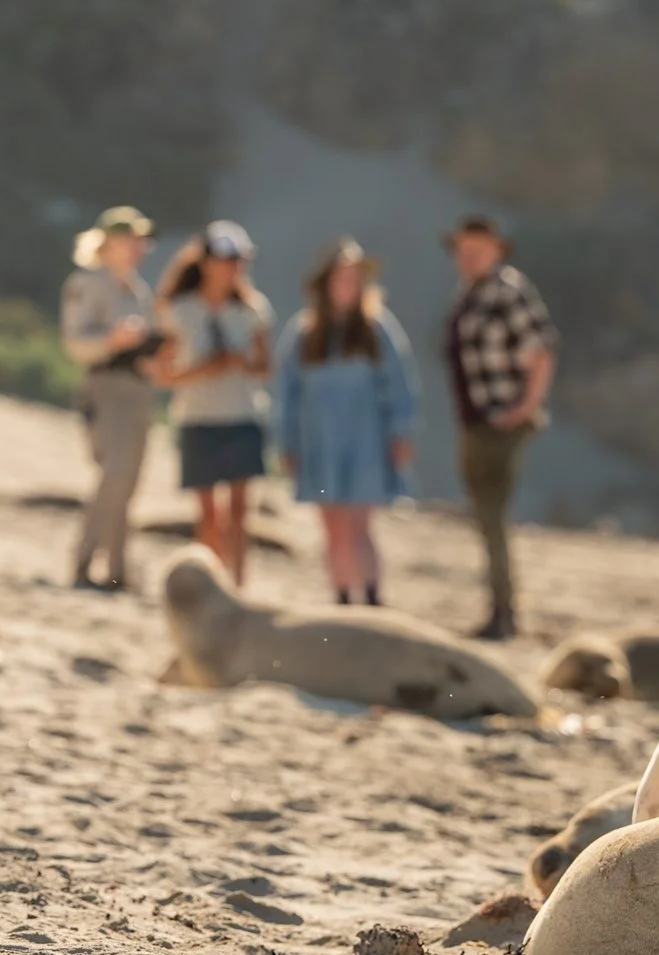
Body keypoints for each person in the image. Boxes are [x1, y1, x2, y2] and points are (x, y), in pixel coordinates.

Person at [274, 239, 420, 606]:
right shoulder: (304, 332)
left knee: (359, 525)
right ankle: (341, 600)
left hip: (364, 443)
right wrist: (285, 443)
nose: (348, 286)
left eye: (355, 279)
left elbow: (401, 384)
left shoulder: (377, 328)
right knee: (333, 528)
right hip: (319, 444)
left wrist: (401, 431)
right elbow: (287, 394)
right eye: (342, 278)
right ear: (326, 283)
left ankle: (372, 598)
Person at [442, 213, 557, 640]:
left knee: (491, 514)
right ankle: (499, 605)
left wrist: (524, 408)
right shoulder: (469, 295)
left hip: (501, 421)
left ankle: (503, 610)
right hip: (476, 419)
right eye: (464, 250)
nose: (469, 257)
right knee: (484, 514)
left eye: (478, 249)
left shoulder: (508, 292)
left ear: (496, 250)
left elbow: (541, 351)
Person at [154, 220, 273, 586]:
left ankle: (238, 586)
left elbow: (266, 369)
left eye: (238, 261)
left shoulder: (253, 309)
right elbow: (162, 373)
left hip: (242, 416)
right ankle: (212, 587)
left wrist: (240, 363)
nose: (233, 268)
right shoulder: (179, 310)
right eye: (226, 260)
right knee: (207, 513)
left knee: (239, 512)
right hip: (197, 418)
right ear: (206, 262)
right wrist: (205, 369)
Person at [60, 205, 161, 591]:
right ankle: (83, 563)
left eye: (141, 241)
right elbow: (76, 343)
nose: (138, 248)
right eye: (130, 240)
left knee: (129, 481)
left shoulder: (137, 290)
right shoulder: (87, 283)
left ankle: (117, 569)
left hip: (138, 390)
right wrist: (112, 341)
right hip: (105, 388)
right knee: (115, 476)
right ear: (108, 242)